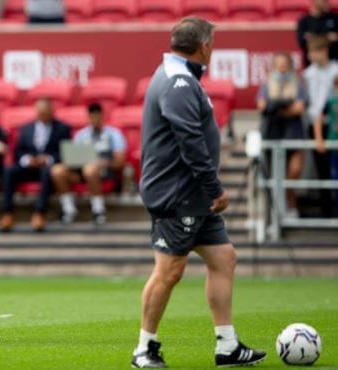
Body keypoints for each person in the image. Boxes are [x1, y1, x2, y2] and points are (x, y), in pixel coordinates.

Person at [132, 17, 266, 368]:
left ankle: (227, 346)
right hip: (178, 194)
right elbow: (189, 140)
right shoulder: (178, 82)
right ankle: (144, 349)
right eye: (212, 43)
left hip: (190, 193)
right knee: (169, 271)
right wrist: (214, 187)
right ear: (204, 46)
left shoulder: (179, 76)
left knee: (224, 259)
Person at [0, 98, 71, 231]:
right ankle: (7, 213)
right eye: (40, 113)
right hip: (29, 167)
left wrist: (49, 159)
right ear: (36, 112)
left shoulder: (63, 128)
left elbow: (65, 153)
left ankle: (39, 213)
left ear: (52, 112)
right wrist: (27, 159)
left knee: (48, 171)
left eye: (46, 113)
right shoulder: (26, 128)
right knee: (9, 171)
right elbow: (18, 152)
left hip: (47, 168)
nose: (43, 116)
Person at [50, 103, 127, 225]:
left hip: (105, 171)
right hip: (80, 170)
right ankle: (68, 209)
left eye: (97, 116)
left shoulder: (114, 134)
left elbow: (120, 161)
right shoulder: (81, 135)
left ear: (102, 116)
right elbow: (73, 156)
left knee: (90, 169)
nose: (95, 120)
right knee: (57, 170)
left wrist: (105, 163)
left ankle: (98, 209)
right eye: (92, 117)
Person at [257, 52, 308, 218]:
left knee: (293, 172)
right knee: (273, 175)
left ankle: (291, 206)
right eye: (278, 64)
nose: (281, 68)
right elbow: (262, 106)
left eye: (284, 64)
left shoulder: (299, 83)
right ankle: (275, 212)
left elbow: (299, 108)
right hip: (272, 134)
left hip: (294, 133)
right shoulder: (266, 84)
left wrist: (277, 109)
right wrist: (283, 107)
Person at [303, 36, 338, 217]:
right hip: (314, 124)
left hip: (332, 123)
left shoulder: (335, 70)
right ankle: (327, 208)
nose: (312, 56)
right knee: (322, 167)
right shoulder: (308, 73)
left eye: (315, 51)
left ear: (324, 51)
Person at [313, 75, 338, 215]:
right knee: (335, 179)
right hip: (334, 145)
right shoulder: (331, 101)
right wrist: (319, 139)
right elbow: (318, 119)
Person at [297, 0, 338, 67]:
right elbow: (301, 41)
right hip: (311, 64)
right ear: (314, 2)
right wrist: (326, 38)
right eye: (323, 1)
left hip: (334, 61)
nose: (326, 3)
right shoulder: (304, 21)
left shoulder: (334, 18)